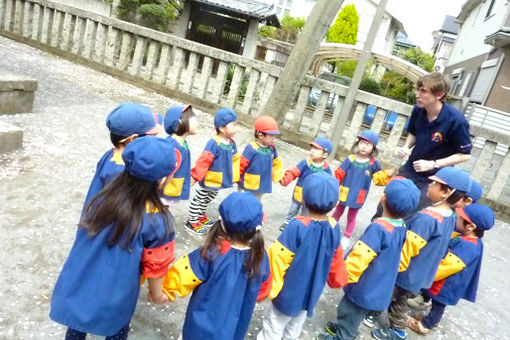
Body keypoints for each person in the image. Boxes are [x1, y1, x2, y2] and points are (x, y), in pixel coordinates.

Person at [50, 136, 177, 339]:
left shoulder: (103, 196)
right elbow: (156, 267)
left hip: (83, 278)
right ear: (162, 179)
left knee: (77, 323)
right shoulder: (158, 220)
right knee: (117, 329)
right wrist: (157, 294)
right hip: (118, 291)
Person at [371, 167, 471, 340]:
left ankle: (397, 330)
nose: (430, 186)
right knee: (395, 297)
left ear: (445, 193)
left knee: (397, 301)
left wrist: (391, 267)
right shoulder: (450, 216)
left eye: (435, 184)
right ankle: (375, 311)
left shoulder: (427, 219)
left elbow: (409, 248)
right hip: (423, 271)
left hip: (408, 272)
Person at [316, 177, 420, 340]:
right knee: (356, 313)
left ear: (383, 198)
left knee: (348, 310)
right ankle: (347, 329)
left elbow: (360, 257)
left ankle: (344, 335)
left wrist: (342, 276)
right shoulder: (401, 226)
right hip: (380, 284)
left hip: (364, 285)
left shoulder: (378, 229)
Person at [162, 192, 271, 340]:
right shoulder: (261, 257)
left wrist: (162, 292)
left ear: (222, 224)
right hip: (233, 331)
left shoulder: (210, 253)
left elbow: (180, 277)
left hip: (197, 331)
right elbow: (264, 290)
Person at [257, 172, 348, 340]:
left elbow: (278, 259)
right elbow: (337, 259)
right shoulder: (334, 227)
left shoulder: (296, 226)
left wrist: (268, 289)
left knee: (274, 325)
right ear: (336, 203)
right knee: (295, 326)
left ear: (303, 200)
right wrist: (338, 279)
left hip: (288, 291)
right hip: (312, 290)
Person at [374, 72, 472, 219]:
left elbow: (465, 155)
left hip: (434, 178)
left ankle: (398, 239)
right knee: (387, 203)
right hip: (410, 168)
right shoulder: (418, 110)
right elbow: (413, 132)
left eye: (423, 91)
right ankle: (374, 233)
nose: (417, 94)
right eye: (418, 89)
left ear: (439, 95)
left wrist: (434, 164)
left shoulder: (456, 121)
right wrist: (406, 147)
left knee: (410, 214)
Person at [407, 203, 495, 335]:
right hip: (449, 280)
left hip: (447, 283)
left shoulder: (467, 246)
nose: (457, 219)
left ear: (470, 227)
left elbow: (450, 265)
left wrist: (427, 274)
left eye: (460, 218)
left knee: (438, 304)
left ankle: (426, 325)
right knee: (434, 297)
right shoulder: (472, 240)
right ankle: (427, 309)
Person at [82, 102, 162, 211]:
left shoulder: (111, 154)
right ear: (132, 139)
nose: (154, 139)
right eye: (152, 136)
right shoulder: (122, 171)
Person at [332, 130, 396, 250]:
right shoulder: (350, 159)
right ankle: (329, 228)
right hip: (344, 192)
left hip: (358, 196)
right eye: (362, 142)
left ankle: (346, 237)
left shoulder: (373, 163)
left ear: (373, 148)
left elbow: (378, 179)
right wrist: (333, 186)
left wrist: (387, 175)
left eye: (368, 144)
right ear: (357, 144)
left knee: (352, 216)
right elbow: (339, 174)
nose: (364, 146)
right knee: (338, 211)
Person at [186, 108, 240, 235]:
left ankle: (200, 215)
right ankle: (192, 220)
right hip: (208, 178)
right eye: (233, 125)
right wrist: (195, 176)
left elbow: (235, 159)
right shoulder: (214, 143)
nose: (236, 128)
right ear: (221, 128)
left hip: (219, 180)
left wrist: (235, 176)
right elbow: (204, 161)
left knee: (209, 197)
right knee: (200, 198)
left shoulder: (231, 143)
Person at [279, 137, 333, 230]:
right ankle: (287, 222)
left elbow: (329, 183)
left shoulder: (326, 169)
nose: (312, 151)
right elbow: (294, 171)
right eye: (312, 148)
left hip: (312, 197)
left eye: (316, 149)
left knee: (306, 213)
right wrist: (286, 179)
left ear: (324, 154)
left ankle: (301, 225)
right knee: (293, 208)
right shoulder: (305, 163)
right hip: (299, 193)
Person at [239, 115, 284, 200]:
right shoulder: (251, 148)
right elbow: (241, 164)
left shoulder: (272, 149)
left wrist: (279, 177)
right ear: (260, 135)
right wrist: (235, 177)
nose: (274, 139)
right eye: (271, 136)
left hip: (263, 185)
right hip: (249, 184)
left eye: (274, 136)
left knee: (256, 203)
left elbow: (276, 163)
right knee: (243, 202)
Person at [161, 104, 198, 205]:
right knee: (160, 208)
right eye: (192, 118)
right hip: (166, 187)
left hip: (174, 185)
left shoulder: (182, 143)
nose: (197, 122)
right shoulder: (173, 145)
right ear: (179, 122)